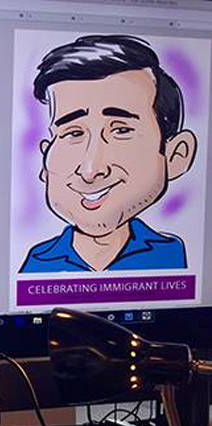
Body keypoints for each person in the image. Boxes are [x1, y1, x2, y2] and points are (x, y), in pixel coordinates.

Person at [19, 35, 198, 273]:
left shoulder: (171, 254)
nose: (91, 170)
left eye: (121, 131)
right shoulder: (37, 263)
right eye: (74, 133)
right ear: (45, 161)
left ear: (175, 156)